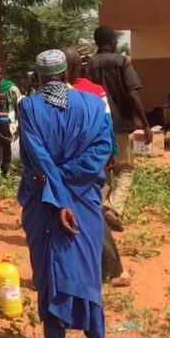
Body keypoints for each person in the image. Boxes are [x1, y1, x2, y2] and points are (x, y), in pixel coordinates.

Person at [19, 49, 114, 338]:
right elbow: (103, 148)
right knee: (87, 268)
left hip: (45, 197)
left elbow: (37, 156)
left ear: (40, 76)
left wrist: (58, 192)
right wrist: (70, 181)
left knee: (50, 270)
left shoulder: (29, 107)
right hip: (84, 198)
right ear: (67, 73)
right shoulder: (92, 104)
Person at [62, 47, 128, 286]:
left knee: (80, 212)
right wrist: (109, 156)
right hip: (90, 163)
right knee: (91, 210)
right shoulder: (95, 91)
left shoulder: (51, 95)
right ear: (78, 67)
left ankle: (102, 268)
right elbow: (106, 126)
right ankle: (109, 268)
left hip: (66, 166)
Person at [86, 26, 151, 226]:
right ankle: (113, 209)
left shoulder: (89, 65)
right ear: (113, 41)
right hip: (119, 124)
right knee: (125, 168)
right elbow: (133, 93)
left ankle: (98, 212)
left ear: (96, 42)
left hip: (95, 126)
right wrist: (145, 124)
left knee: (103, 169)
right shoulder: (121, 61)